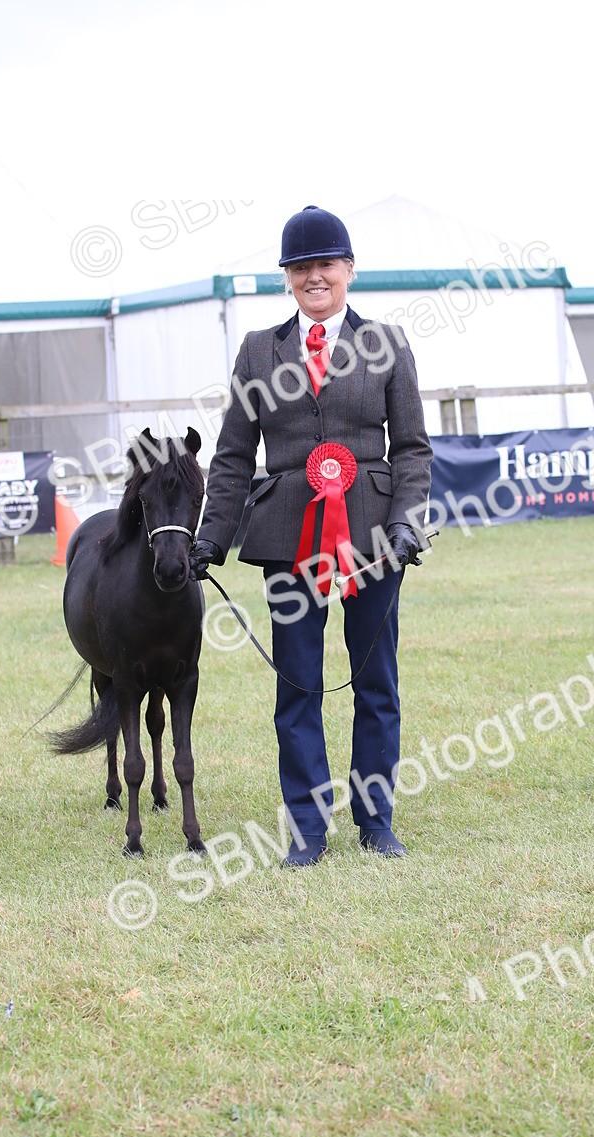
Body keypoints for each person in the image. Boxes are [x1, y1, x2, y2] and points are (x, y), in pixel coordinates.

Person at [189, 205, 433, 867]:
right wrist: (211, 535)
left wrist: (409, 521)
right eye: (301, 267)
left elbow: (411, 449)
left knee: (374, 681)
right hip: (287, 534)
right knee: (296, 683)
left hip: (375, 535)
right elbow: (234, 455)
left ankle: (376, 819)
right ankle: (307, 827)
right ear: (288, 278)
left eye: (325, 264)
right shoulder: (257, 351)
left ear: (348, 270)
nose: (314, 276)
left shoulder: (386, 344)